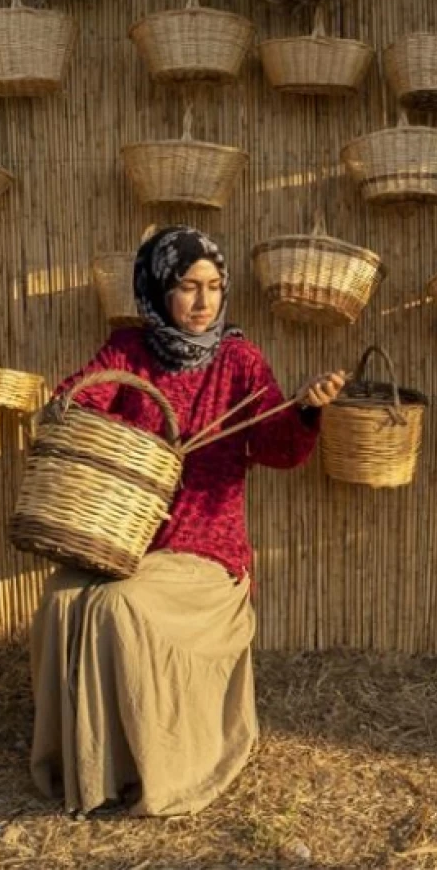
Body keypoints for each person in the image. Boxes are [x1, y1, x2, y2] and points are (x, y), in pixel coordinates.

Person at [28, 225, 347, 818]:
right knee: (64, 599)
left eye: (214, 287)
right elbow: (78, 400)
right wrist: (66, 407)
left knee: (119, 608)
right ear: (156, 290)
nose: (204, 303)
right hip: (123, 538)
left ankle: (156, 767)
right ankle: (82, 768)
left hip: (205, 548)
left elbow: (278, 447)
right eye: (186, 287)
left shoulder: (239, 360)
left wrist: (304, 408)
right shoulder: (128, 351)